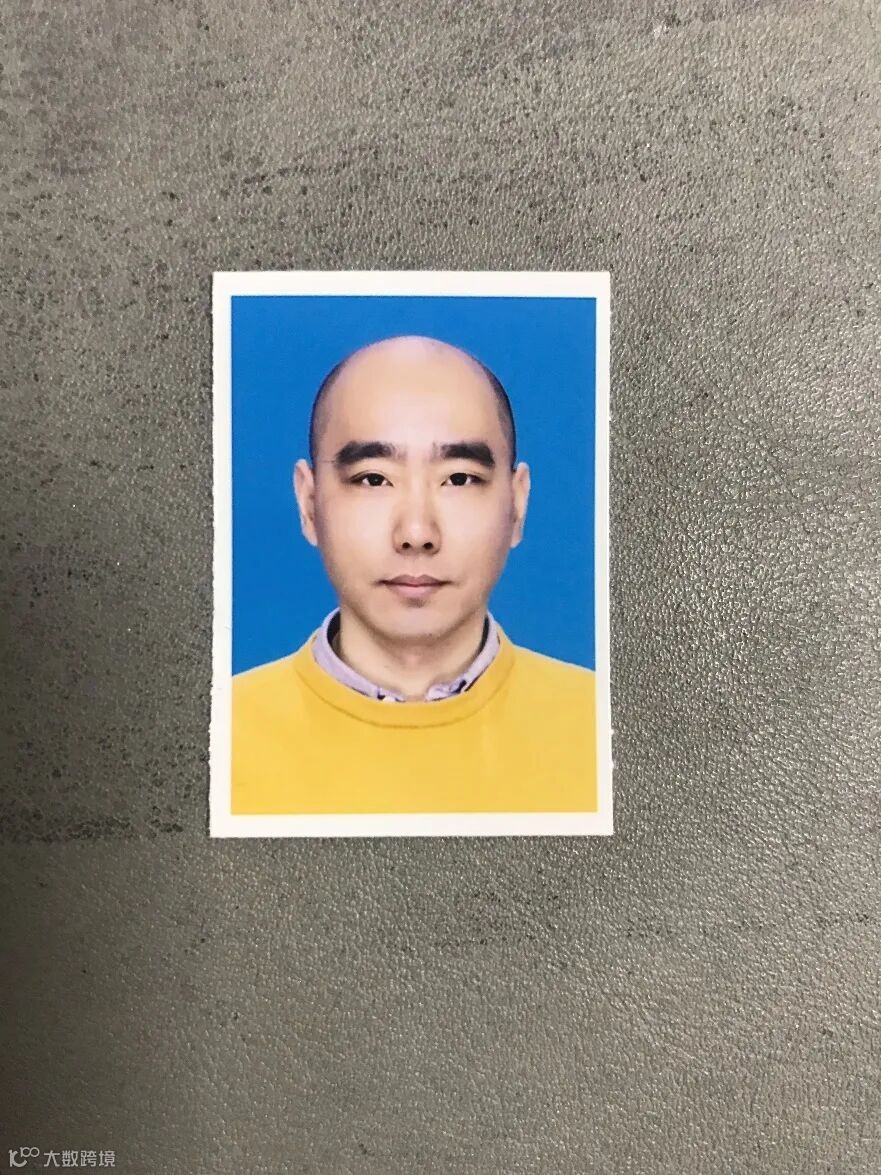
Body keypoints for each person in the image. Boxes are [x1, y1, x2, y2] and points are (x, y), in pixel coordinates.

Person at [232, 335, 596, 815]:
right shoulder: (222, 736)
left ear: (517, 503)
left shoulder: (603, 728)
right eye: (373, 479)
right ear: (309, 503)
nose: (417, 533)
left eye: (459, 478)